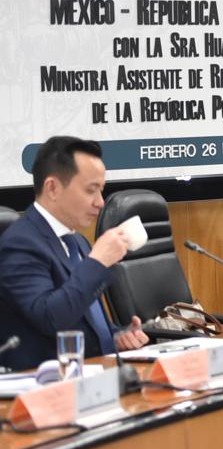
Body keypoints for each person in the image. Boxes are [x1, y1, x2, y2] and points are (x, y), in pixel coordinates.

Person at [0, 136, 148, 370]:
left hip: (93, 373)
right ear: (52, 188)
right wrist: (97, 261)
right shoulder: (20, 244)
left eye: (101, 190)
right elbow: (50, 319)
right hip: (45, 382)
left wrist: (117, 336)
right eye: (91, 190)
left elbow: (83, 319)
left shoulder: (77, 241)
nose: (100, 202)